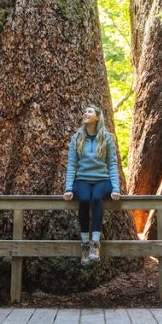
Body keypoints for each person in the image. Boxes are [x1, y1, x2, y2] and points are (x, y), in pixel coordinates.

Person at [63, 104, 120, 266]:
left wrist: (116, 188)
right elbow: (72, 165)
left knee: (96, 198)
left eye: (89, 111)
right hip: (82, 180)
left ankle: (95, 244)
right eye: (85, 111)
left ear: (97, 117)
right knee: (85, 199)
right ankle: (84, 244)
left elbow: (112, 164)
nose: (85, 113)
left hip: (103, 181)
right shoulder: (77, 138)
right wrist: (68, 188)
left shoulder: (106, 138)